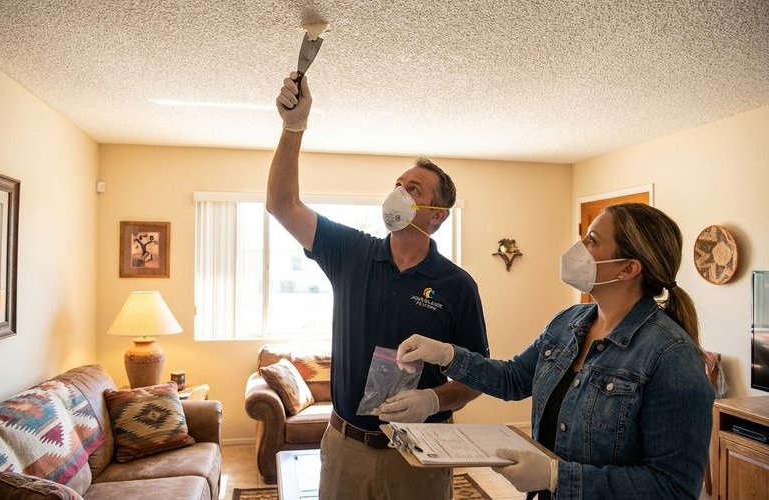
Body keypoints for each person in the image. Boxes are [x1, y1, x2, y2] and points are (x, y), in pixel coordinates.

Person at [269, 72, 490, 500]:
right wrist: (293, 127)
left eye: (413, 189)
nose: (399, 194)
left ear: (437, 214)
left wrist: (432, 401)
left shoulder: (457, 285)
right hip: (346, 445)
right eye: (397, 185)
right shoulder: (351, 252)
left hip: (420, 451)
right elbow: (282, 205)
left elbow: (475, 378)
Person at [397, 203, 715, 499]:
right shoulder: (570, 322)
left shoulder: (672, 357)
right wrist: (449, 355)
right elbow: (515, 379)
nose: (578, 248)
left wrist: (556, 476)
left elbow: (673, 487)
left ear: (628, 268)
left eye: (592, 240)